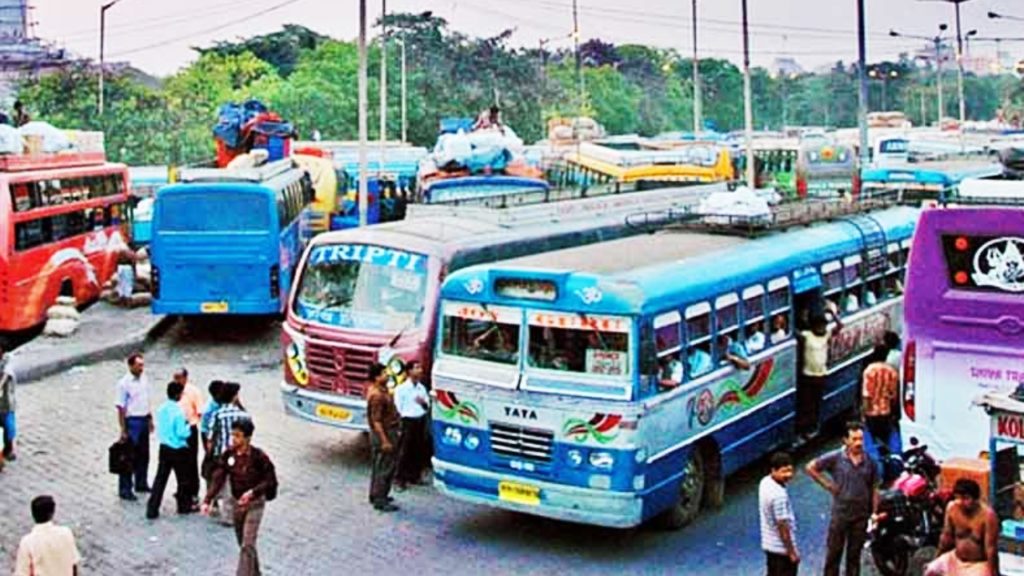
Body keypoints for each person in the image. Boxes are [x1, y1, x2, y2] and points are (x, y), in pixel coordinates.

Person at [202, 420, 278, 576]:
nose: (234, 439)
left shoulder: (259, 457)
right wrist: (208, 499)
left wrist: (253, 492)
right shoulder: (228, 454)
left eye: (238, 436)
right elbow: (219, 477)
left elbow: (270, 480)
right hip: (238, 504)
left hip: (255, 504)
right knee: (244, 544)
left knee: (248, 542)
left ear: (247, 438)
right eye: (232, 435)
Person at [806, 421, 879, 576]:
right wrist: (829, 486)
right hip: (841, 515)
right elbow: (811, 467)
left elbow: (874, 488)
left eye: (861, 439)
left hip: (860, 516)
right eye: (854, 439)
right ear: (845, 440)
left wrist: (874, 513)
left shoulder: (870, 462)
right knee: (834, 554)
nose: (858, 443)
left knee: (854, 556)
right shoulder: (836, 458)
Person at [925, 479, 999, 576]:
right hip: (955, 558)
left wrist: (993, 572)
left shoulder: (988, 515)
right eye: (958, 498)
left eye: (966, 498)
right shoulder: (952, 508)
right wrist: (937, 558)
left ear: (976, 499)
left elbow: (991, 549)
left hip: (977, 564)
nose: (961, 502)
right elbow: (946, 537)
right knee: (930, 570)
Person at [146, 381, 196, 519]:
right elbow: (181, 433)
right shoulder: (178, 412)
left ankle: (152, 508)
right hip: (178, 449)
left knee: (160, 479)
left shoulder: (162, 409)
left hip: (164, 447)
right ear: (178, 394)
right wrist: (188, 428)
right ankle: (183, 506)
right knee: (183, 479)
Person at [797, 302, 842, 437]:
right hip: (808, 375)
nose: (822, 328)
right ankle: (805, 428)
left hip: (821, 374)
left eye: (823, 325)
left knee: (817, 402)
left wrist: (833, 314)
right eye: (819, 326)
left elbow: (840, 326)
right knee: (807, 404)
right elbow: (796, 333)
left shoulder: (826, 334)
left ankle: (814, 425)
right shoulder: (807, 336)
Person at [208, 382, 251, 525]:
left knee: (226, 482)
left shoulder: (218, 414)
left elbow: (210, 437)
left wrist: (211, 453)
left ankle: (227, 516)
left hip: (222, 453)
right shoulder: (243, 414)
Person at [115, 352, 152, 500]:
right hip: (132, 421)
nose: (141, 368)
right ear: (131, 366)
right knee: (128, 456)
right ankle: (125, 488)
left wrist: (150, 418)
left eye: (142, 365)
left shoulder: (144, 379)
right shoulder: (124, 384)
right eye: (138, 365)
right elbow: (121, 408)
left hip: (143, 418)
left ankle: (141, 482)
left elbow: (147, 400)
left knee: (143, 454)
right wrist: (123, 429)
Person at [14, 495, 80, 576]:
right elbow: (74, 565)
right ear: (52, 513)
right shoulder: (66, 533)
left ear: (33, 514)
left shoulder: (27, 542)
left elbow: (22, 573)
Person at [366, 362, 400, 512]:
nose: (387, 375)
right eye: (384, 373)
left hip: (385, 431)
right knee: (385, 467)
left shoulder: (381, 390)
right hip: (385, 433)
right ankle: (381, 499)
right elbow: (377, 421)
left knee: (379, 465)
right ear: (377, 377)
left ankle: (375, 494)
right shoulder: (377, 395)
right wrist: (385, 440)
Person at [759, 452, 800, 576]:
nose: (789, 475)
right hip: (781, 550)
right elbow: (782, 526)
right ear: (773, 470)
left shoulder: (765, 482)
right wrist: (791, 552)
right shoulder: (778, 496)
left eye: (790, 471)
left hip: (769, 545)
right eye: (784, 472)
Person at [862, 345, 901, 464]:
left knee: (872, 438)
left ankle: (876, 463)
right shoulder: (892, 372)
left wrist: (864, 412)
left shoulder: (869, 370)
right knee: (886, 437)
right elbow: (894, 395)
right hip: (886, 411)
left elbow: (866, 395)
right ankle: (887, 460)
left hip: (871, 412)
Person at [394, 361, 430, 490]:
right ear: (409, 371)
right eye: (417, 368)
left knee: (418, 449)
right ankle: (399, 478)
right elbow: (398, 407)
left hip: (419, 420)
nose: (420, 370)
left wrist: (422, 404)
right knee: (404, 450)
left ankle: (414, 475)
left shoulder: (421, 388)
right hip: (408, 421)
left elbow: (427, 406)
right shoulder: (401, 389)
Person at [175, 368, 203, 507]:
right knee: (179, 462)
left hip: (190, 428)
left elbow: (199, 412)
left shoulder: (193, 392)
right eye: (175, 378)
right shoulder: (174, 392)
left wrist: (191, 423)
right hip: (177, 430)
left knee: (191, 462)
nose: (177, 381)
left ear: (186, 378)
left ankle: (193, 492)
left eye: (179, 378)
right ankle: (182, 489)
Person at [0, 344, 17, 462]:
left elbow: (6, 374)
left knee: (8, 425)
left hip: (5, 400)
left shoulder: (7, 358)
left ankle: (9, 449)